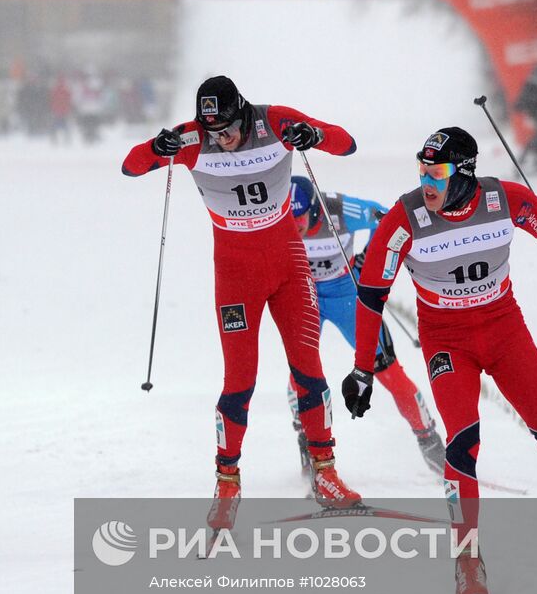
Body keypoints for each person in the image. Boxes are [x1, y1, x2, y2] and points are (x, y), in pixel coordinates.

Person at [341, 127, 537, 594]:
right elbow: (370, 294)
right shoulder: (405, 219)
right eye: (422, 170)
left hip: (505, 333)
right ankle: (468, 559)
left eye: (439, 172)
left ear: (465, 174)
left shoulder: (504, 200)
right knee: (463, 442)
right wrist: (363, 369)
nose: (427, 182)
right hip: (448, 344)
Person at [123, 75, 362, 530]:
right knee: (239, 380)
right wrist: (158, 147)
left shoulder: (274, 121)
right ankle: (227, 481)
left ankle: (326, 474)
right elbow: (130, 167)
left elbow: (346, 144)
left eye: (229, 127)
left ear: (244, 112)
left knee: (308, 367)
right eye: (213, 131)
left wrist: (313, 136)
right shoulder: (192, 138)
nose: (223, 138)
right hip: (235, 276)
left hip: (290, 266)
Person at [287, 175, 446, 476]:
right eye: (290, 217)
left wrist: (365, 262)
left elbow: (385, 219)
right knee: (301, 371)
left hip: (345, 293)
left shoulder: (336, 209)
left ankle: (429, 440)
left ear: (314, 209)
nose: (295, 225)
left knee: (387, 371)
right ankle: (307, 442)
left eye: (301, 217)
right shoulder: (279, 212)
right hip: (303, 294)